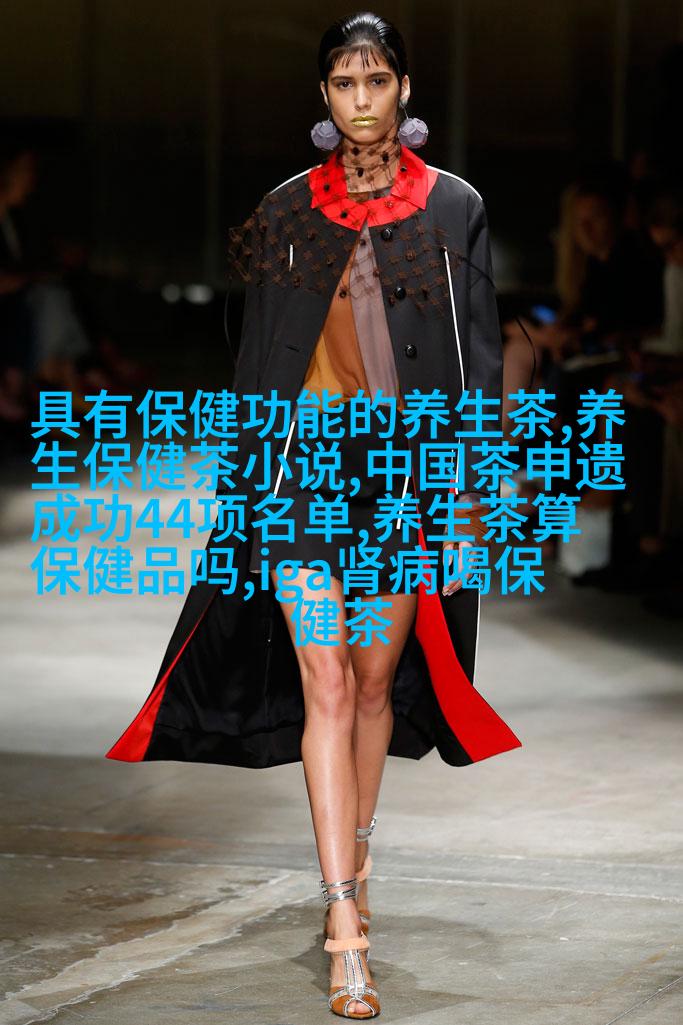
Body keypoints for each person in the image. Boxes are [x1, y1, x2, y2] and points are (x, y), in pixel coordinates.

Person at [106, 12, 522, 1019]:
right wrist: (240, 490)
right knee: (325, 679)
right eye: (343, 82)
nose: (361, 99)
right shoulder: (288, 209)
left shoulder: (452, 205)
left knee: (374, 681)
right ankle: (343, 923)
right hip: (301, 473)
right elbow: (257, 361)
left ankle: (357, 865)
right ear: (324, 98)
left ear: (404, 89)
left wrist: (472, 490)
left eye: (376, 80)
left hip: (402, 478)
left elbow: (477, 356)